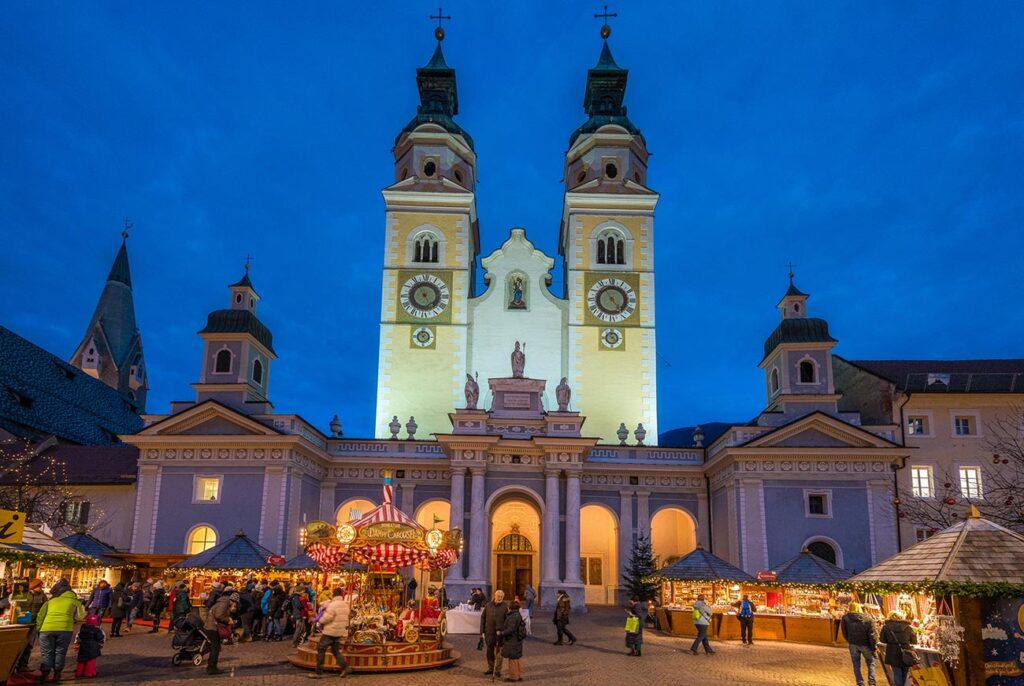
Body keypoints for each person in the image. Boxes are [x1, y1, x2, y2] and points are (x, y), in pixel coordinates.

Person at [36, 579, 85, 683]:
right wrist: (71, 618)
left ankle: (45, 675)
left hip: (47, 629)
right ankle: (57, 675)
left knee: (47, 652)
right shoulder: (75, 601)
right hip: (65, 629)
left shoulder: (51, 601)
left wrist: (39, 629)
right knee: (60, 652)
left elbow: (40, 616)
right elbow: (80, 616)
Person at [311, 588, 352, 678]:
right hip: (339, 631)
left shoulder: (333, 605)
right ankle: (345, 667)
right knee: (335, 651)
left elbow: (327, 618)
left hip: (330, 631)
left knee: (321, 649)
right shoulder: (345, 605)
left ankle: (318, 672)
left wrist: (319, 621)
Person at [841, 602, 878, 686]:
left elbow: (844, 632)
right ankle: (871, 681)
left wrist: (849, 640)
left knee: (856, 664)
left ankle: (860, 682)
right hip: (866, 644)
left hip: (853, 644)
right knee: (871, 663)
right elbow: (872, 634)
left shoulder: (845, 618)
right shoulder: (868, 618)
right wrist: (874, 647)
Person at [15, 578, 47, 672]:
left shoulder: (42, 595)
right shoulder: (24, 592)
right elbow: (15, 605)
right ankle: (13, 665)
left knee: (29, 645)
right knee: (19, 645)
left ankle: (23, 665)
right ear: (34, 586)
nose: (41, 588)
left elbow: (45, 606)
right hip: (21, 622)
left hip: (33, 623)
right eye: (39, 586)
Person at [203, 591, 235, 675]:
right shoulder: (224, 603)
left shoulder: (222, 602)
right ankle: (211, 668)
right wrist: (228, 620)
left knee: (215, 647)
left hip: (211, 626)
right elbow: (219, 615)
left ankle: (211, 667)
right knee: (215, 647)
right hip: (212, 627)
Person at [881, 610, 916, 686]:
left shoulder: (886, 627)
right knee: (904, 673)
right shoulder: (908, 627)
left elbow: (882, 640)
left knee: (897, 673)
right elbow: (914, 641)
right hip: (906, 652)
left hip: (892, 652)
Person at [481, 590, 510, 677]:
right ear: (495, 596)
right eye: (498, 596)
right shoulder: (488, 605)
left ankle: (497, 670)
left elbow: (508, 620)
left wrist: (503, 631)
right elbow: (483, 618)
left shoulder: (505, 607)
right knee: (489, 651)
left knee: (499, 653)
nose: (500, 598)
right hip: (489, 632)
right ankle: (491, 668)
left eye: (501, 597)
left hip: (499, 634)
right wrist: (482, 631)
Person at [501, 599, 527, 682]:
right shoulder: (518, 615)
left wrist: (501, 633)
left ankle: (513, 677)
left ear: (510, 608)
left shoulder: (512, 616)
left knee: (512, 659)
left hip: (512, 640)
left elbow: (510, 629)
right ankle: (518, 675)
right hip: (517, 639)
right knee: (516, 658)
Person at [73, 614, 105, 678]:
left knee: (81, 660)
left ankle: (79, 673)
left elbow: (79, 637)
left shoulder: (83, 629)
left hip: (83, 647)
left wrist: (77, 644)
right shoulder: (96, 630)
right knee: (91, 660)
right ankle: (89, 673)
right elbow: (100, 637)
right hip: (92, 647)